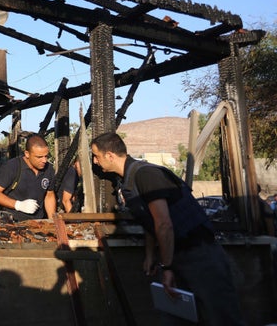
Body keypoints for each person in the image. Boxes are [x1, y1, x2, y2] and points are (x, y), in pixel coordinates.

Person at [90, 132, 245, 326]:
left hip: (199, 254)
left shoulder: (146, 174)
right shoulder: (129, 181)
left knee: (221, 317)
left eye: (96, 156)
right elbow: (150, 222)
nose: (95, 162)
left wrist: (168, 267)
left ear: (110, 155)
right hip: (178, 256)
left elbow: (164, 224)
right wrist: (149, 255)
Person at [0, 134, 57, 221]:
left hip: (37, 222)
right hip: (11, 221)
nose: (44, 160)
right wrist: (18, 205)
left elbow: (49, 195)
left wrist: (52, 221)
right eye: (39, 157)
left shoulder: (49, 169)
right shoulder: (12, 167)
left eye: (46, 156)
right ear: (27, 154)